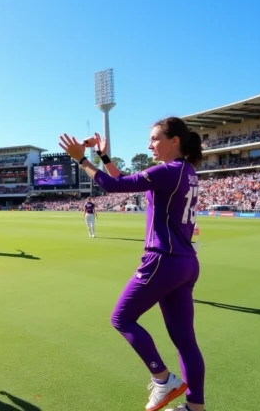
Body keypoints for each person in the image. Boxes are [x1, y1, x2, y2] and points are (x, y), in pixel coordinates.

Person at [59, 117, 205, 411]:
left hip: (162, 259)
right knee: (185, 342)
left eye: (154, 139)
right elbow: (125, 181)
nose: (150, 145)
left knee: (121, 319)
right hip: (186, 263)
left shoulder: (167, 171)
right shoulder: (185, 171)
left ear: (174, 140)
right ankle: (195, 408)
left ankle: (163, 379)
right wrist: (103, 157)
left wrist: (81, 160)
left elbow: (112, 186)